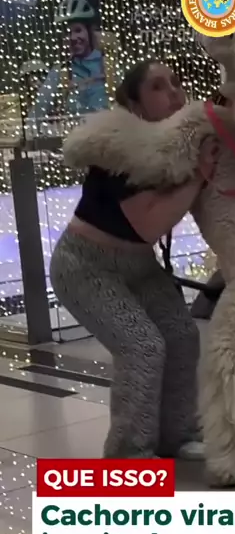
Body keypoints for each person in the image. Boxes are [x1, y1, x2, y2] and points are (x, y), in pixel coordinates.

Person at [50, 59, 218, 459]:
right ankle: (129, 455)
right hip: (86, 266)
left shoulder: (177, 143)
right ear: (134, 104)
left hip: (139, 266)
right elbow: (148, 224)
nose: (174, 92)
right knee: (142, 346)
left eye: (175, 82)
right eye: (158, 87)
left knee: (182, 335)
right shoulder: (118, 147)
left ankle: (177, 435)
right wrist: (199, 175)